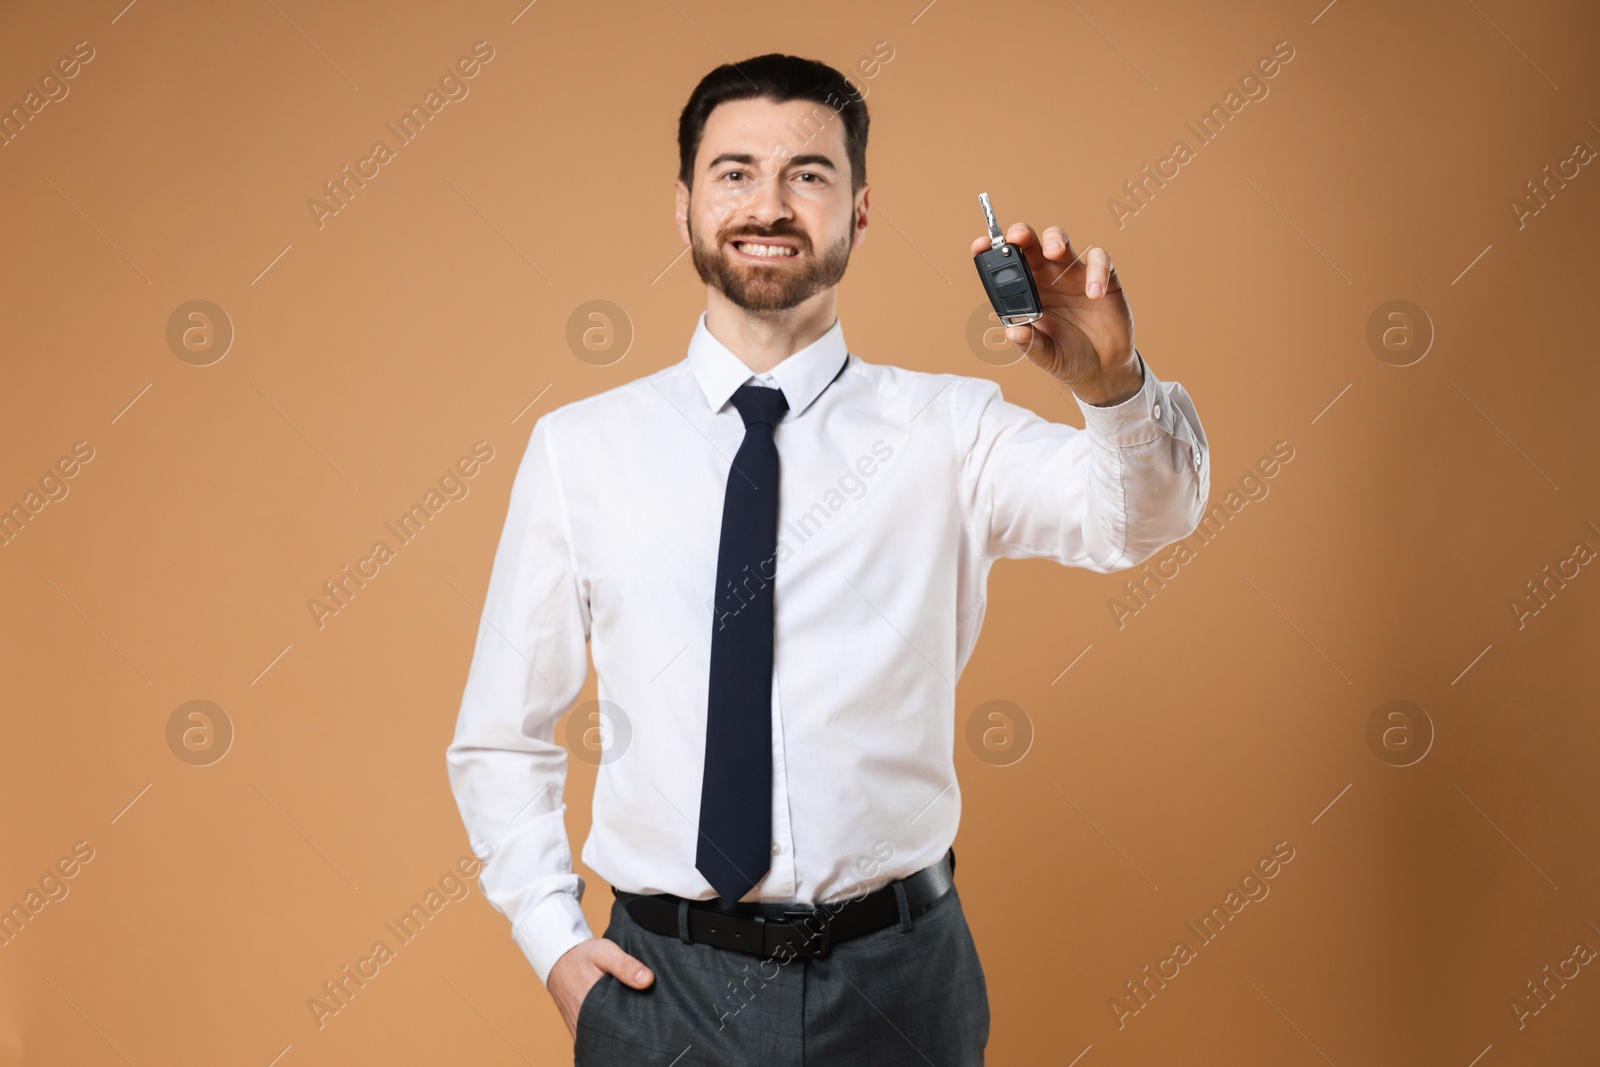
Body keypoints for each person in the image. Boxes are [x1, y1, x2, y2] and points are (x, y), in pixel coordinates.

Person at [446, 52, 1208, 1066]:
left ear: (858, 212)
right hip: (659, 991)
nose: (768, 203)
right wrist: (553, 942)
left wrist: (1113, 385)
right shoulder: (580, 449)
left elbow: (1138, 522)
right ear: (683, 206)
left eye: (807, 173)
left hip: (899, 985)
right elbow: (499, 736)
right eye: (733, 172)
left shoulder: (950, 429)